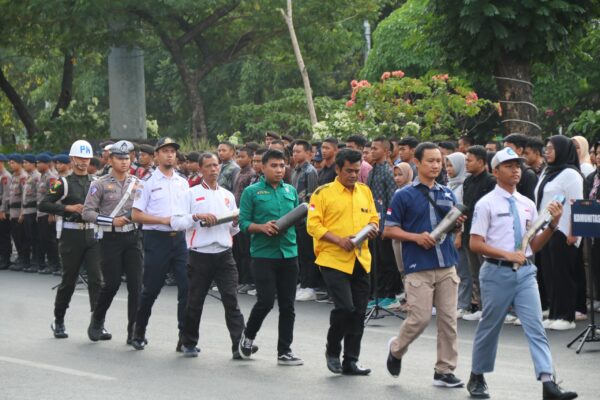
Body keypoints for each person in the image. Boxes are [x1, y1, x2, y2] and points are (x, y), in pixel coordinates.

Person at [466, 147, 578, 400]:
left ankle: (548, 381)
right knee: (490, 327)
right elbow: (475, 243)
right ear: (495, 172)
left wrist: (553, 224)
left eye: (518, 165)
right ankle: (477, 376)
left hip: (526, 273)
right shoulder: (486, 204)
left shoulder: (527, 203)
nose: (516, 169)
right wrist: (507, 255)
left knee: (536, 327)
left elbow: (534, 245)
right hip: (496, 272)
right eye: (508, 165)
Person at [383, 142, 464, 388]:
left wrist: (458, 223)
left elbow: (453, 229)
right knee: (419, 319)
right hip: (418, 265)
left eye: (439, 161)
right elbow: (389, 230)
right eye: (430, 161)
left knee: (449, 320)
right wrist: (416, 237)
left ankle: (444, 370)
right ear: (417, 162)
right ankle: (396, 349)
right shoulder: (403, 195)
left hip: (447, 264)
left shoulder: (447, 193)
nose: (436, 165)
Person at [169, 153, 252, 358]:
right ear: (201, 169)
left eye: (216, 165)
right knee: (195, 301)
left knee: (231, 299)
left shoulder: (227, 195)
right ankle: (188, 341)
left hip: (224, 254)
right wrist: (196, 216)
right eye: (209, 166)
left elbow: (234, 230)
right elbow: (176, 222)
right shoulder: (191, 193)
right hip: (200, 254)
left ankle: (239, 344)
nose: (214, 169)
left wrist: (234, 222)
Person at [307, 148, 379, 375]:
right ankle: (332, 350)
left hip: (360, 259)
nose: (353, 175)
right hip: (333, 258)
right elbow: (313, 225)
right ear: (338, 169)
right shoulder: (323, 192)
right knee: (345, 308)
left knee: (359, 312)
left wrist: (373, 229)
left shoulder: (364, 191)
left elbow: (374, 218)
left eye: (357, 171)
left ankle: (351, 360)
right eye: (349, 170)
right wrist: (339, 240)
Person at [237, 149, 303, 366]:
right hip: (264, 254)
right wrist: (261, 227)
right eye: (274, 166)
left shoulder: (291, 191)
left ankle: (284, 351)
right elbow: (243, 223)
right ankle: (248, 336)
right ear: (263, 167)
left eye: (282, 166)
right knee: (265, 301)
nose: (278, 170)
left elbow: (298, 219)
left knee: (288, 305)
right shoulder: (251, 192)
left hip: (289, 253)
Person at [129, 137, 190, 350]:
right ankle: (139, 331)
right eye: (165, 151)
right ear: (156, 156)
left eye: (173, 151)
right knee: (152, 289)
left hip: (180, 240)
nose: (170, 154)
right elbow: (136, 215)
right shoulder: (146, 183)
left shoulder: (182, 182)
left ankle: (185, 338)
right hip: (157, 239)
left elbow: (188, 212)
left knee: (187, 288)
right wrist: (162, 220)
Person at [39, 140, 102, 339]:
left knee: (96, 280)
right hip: (71, 234)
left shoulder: (96, 182)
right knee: (69, 281)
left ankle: (97, 323)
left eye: (86, 158)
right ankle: (59, 320)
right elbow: (44, 204)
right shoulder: (62, 182)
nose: (83, 162)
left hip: (91, 233)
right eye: (79, 158)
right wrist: (67, 208)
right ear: (72, 159)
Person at [82, 140, 142, 344]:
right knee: (113, 284)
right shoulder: (99, 184)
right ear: (110, 160)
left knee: (136, 286)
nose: (124, 162)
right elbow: (87, 212)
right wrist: (111, 220)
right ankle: (97, 319)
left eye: (127, 158)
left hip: (133, 237)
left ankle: (134, 331)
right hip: (110, 237)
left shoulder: (137, 183)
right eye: (120, 158)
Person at [535, 135, 584, 331]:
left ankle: (566, 316)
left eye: (551, 149)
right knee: (549, 273)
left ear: (562, 150)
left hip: (564, 231)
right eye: (546, 148)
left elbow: (577, 203)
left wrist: (574, 233)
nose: (547, 152)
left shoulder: (571, 174)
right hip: (546, 229)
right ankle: (555, 312)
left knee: (563, 274)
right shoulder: (548, 172)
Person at [462, 145, 496, 321]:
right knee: (475, 273)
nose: (466, 163)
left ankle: (492, 308)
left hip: (485, 235)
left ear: (481, 162)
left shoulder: (491, 181)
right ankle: (482, 307)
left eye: (469, 160)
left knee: (488, 272)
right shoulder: (467, 182)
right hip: (469, 232)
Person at [367, 137, 401, 308]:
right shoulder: (373, 171)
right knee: (376, 262)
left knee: (388, 261)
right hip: (372, 224)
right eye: (371, 148)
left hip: (385, 225)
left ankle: (391, 294)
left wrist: (388, 224)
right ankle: (378, 295)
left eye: (375, 149)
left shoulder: (388, 171)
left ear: (387, 152)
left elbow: (392, 200)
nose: (372, 151)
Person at [291, 140, 320, 301]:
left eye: (298, 151)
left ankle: (310, 286)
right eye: (294, 152)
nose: (295, 154)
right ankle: (303, 282)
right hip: (295, 218)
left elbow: (312, 197)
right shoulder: (296, 171)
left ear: (308, 153)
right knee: (300, 254)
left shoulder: (310, 171)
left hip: (306, 219)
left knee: (308, 254)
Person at [446, 152, 472, 317]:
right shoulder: (450, 185)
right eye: (447, 165)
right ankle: (456, 302)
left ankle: (464, 304)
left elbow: (462, 212)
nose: (448, 169)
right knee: (453, 270)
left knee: (463, 271)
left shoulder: (464, 185)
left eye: (451, 165)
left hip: (458, 233)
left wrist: (459, 235)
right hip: (448, 232)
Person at [36, 153, 60, 275]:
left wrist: (51, 213)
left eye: (40, 162)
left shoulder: (51, 177)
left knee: (50, 240)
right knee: (44, 239)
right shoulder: (42, 176)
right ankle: (51, 263)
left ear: (46, 164)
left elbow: (53, 196)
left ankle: (54, 264)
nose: (37, 165)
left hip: (47, 213)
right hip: (41, 213)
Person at [7, 154, 29, 271]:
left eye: (13, 162)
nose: (11, 164)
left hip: (20, 211)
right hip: (12, 212)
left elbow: (24, 197)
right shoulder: (13, 176)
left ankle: (24, 259)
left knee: (22, 237)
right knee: (16, 236)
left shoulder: (23, 177)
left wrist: (22, 212)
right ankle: (21, 258)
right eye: (10, 162)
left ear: (20, 163)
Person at [21, 154, 42, 272]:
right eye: (23, 162)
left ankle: (37, 262)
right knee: (30, 237)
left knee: (35, 237)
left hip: (34, 210)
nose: (24, 165)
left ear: (33, 164)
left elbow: (39, 195)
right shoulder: (29, 177)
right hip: (27, 210)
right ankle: (33, 261)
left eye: (26, 162)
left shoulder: (37, 176)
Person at [503, 133, 538, 201]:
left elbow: (530, 203)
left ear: (519, 150)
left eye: (508, 149)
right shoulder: (502, 170)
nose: (505, 152)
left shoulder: (528, 175)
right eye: (504, 149)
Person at [0, 154, 11, 269]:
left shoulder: (5, 176)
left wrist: (2, 210)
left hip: (3, 210)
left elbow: (6, 195)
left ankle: (5, 259)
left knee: (4, 235)